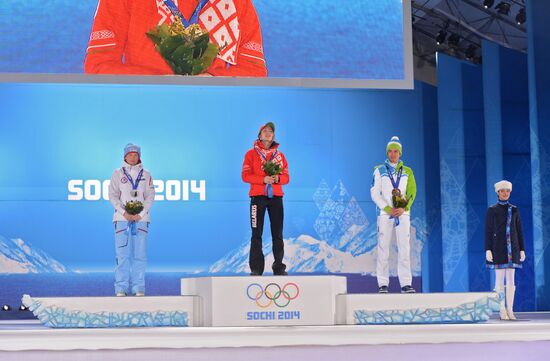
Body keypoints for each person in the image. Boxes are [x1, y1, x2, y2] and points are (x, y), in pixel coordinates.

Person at [85, 0, 267, 76]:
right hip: (143, 109)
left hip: (211, 112)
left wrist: (213, 81)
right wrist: (161, 82)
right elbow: (98, 65)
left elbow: (255, 72)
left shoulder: (237, 2)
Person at [242, 122, 289, 275]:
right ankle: (256, 269)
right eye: (265, 131)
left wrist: (276, 179)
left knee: (278, 233)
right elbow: (245, 176)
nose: (268, 133)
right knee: (256, 233)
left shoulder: (280, 156)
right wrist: (263, 180)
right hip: (257, 197)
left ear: (273, 135)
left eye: (271, 131)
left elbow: (287, 177)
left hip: (276, 197)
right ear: (259, 135)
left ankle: (278, 267)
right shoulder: (250, 154)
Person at [370, 136, 417, 293]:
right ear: (387, 152)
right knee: (383, 248)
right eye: (390, 151)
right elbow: (375, 193)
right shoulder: (379, 170)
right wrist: (387, 209)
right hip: (385, 214)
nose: (393, 154)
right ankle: (383, 284)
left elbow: (412, 192)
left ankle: (405, 284)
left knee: (404, 248)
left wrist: (404, 208)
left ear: (400, 153)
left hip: (403, 213)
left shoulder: (408, 172)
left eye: (396, 151)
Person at [108, 144, 155, 296]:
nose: (133, 157)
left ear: (139, 156)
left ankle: (138, 288)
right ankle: (121, 288)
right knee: (122, 255)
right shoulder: (117, 173)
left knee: (140, 255)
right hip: (122, 219)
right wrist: (124, 212)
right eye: (130, 155)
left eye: (136, 155)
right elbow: (113, 195)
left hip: (141, 220)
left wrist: (140, 214)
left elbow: (150, 196)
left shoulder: (146, 174)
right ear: (125, 156)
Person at [485, 180, 526, 320]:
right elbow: (488, 231)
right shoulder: (492, 210)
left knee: (511, 281)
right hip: (499, 249)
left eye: (507, 191)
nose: (505, 193)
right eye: (502, 191)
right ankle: (501, 308)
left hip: (513, 249)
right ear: (497, 192)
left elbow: (519, 230)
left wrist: (522, 249)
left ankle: (511, 309)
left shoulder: (514, 209)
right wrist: (488, 249)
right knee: (499, 281)